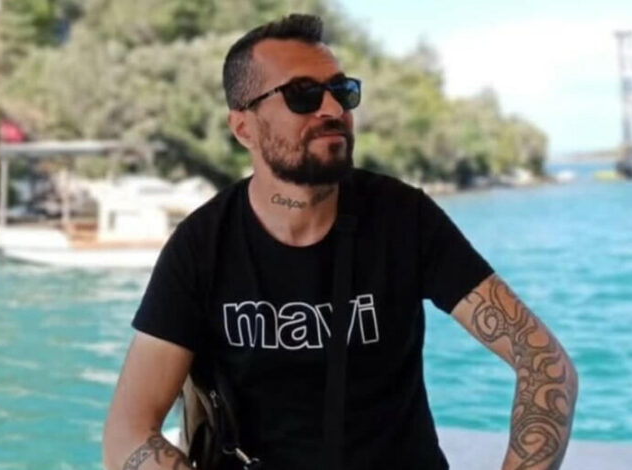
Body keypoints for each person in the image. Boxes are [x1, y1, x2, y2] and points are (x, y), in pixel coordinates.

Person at [102, 14, 578, 470]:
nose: (333, 110)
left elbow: (543, 363)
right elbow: (128, 433)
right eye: (303, 95)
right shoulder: (201, 246)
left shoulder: (403, 218)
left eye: (342, 92)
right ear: (244, 127)